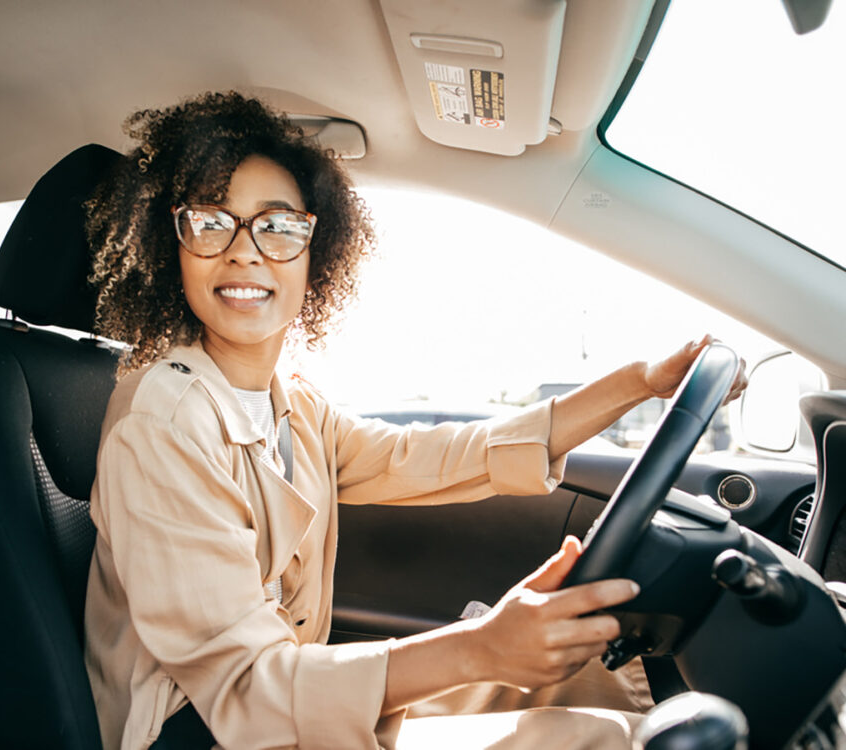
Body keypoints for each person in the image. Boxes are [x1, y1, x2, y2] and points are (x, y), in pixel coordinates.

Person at [82, 91, 747, 750]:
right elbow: (247, 689)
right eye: (211, 222)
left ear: (317, 255)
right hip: (205, 732)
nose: (245, 251)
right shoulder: (162, 426)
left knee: (594, 682)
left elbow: (441, 454)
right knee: (594, 737)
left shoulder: (291, 404)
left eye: (279, 225)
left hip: (287, 705)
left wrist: (641, 383)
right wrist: (479, 650)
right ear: (173, 246)